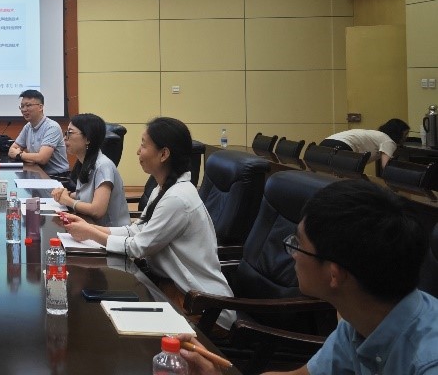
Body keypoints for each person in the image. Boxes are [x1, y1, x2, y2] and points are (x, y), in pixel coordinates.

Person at [180, 179, 437, 375]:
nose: (292, 255)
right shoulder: (361, 315)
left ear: (334, 274)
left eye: (298, 245)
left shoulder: (427, 362)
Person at [61, 117, 235, 328]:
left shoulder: (177, 198)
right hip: (169, 287)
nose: (138, 152)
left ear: (164, 154)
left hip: (203, 306)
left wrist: (90, 233)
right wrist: (90, 227)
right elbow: (136, 230)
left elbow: (138, 247)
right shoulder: (163, 188)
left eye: (143, 145)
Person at [50, 113, 130, 226]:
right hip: (91, 226)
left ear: (87, 139)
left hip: (110, 232)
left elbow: (97, 211)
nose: (65, 138)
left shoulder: (103, 166)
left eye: (70, 133)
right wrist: (66, 194)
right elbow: (87, 195)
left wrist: (67, 200)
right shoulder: (85, 163)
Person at [7, 89, 70, 177]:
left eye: (28, 105)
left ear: (40, 107)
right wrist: (29, 157)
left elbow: (42, 158)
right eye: (22, 106)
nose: (24, 110)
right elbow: (11, 150)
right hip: (37, 173)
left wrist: (19, 155)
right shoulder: (28, 127)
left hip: (57, 176)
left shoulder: (52, 127)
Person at [320, 118, 410, 169]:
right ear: (397, 133)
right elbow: (386, 166)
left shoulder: (377, 135)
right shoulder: (388, 141)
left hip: (323, 145)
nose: (405, 138)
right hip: (343, 146)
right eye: (405, 134)